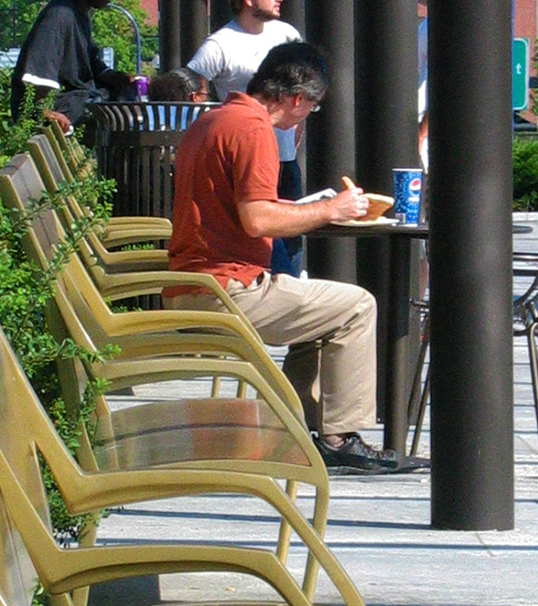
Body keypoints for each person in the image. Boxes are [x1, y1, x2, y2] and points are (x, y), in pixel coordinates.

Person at [167, 41, 397, 474]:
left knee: (321, 315)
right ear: (297, 99)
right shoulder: (254, 130)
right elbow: (256, 219)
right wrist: (330, 210)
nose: (310, 115)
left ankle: (285, 430)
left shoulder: (213, 119)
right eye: (313, 107)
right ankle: (339, 438)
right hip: (226, 289)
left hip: (194, 282)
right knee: (357, 307)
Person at [185, 0, 305, 275]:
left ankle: (289, 297)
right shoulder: (221, 44)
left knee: (292, 237)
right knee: (263, 235)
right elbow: (189, 83)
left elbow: (305, 85)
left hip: (285, 157)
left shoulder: (287, 35)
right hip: (246, 159)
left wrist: (299, 124)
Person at [9, 0, 134, 131]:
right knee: (103, 107)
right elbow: (39, 75)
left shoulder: (79, 16)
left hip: (73, 99)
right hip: (54, 105)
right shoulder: (59, 15)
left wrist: (126, 80)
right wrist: (45, 111)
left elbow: (93, 67)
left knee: (124, 96)